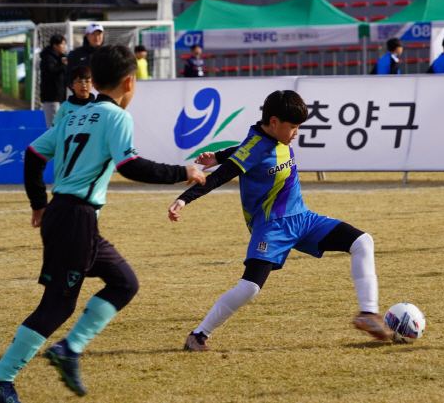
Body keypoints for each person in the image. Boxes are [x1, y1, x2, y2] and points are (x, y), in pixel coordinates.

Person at [0, 45, 206, 403]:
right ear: (130, 82)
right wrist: (184, 171)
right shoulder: (117, 118)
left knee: (124, 282)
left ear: (94, 81)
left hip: (68, 215)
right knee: (58, 305)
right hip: (76, 218)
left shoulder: (71, 116)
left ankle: (69, 349)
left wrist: (40, 205)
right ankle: (0, 377)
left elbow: (33, 155)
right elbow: (129, 166)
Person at [168, 90, 392, 352]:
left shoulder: (270, 138)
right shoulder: (255, 147)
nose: (296, 133)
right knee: (249, 287)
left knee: (362, 241)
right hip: (271, 227)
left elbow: (249, 148)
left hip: (303, 219)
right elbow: (221, 176)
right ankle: (198, 335)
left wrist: (218, 155)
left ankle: (368, 313)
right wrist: (184, 199)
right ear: (274, 122)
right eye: (293, 127)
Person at [40, 34, 68, 127]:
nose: (64, 47)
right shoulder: (47, 58)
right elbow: (50, 72)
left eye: (64, 44)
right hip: (51, 98)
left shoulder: (60, 58)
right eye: (62, 44)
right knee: (54, 126)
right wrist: (63, 66)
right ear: (55, 46)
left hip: (61, 97)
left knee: (62, 125)